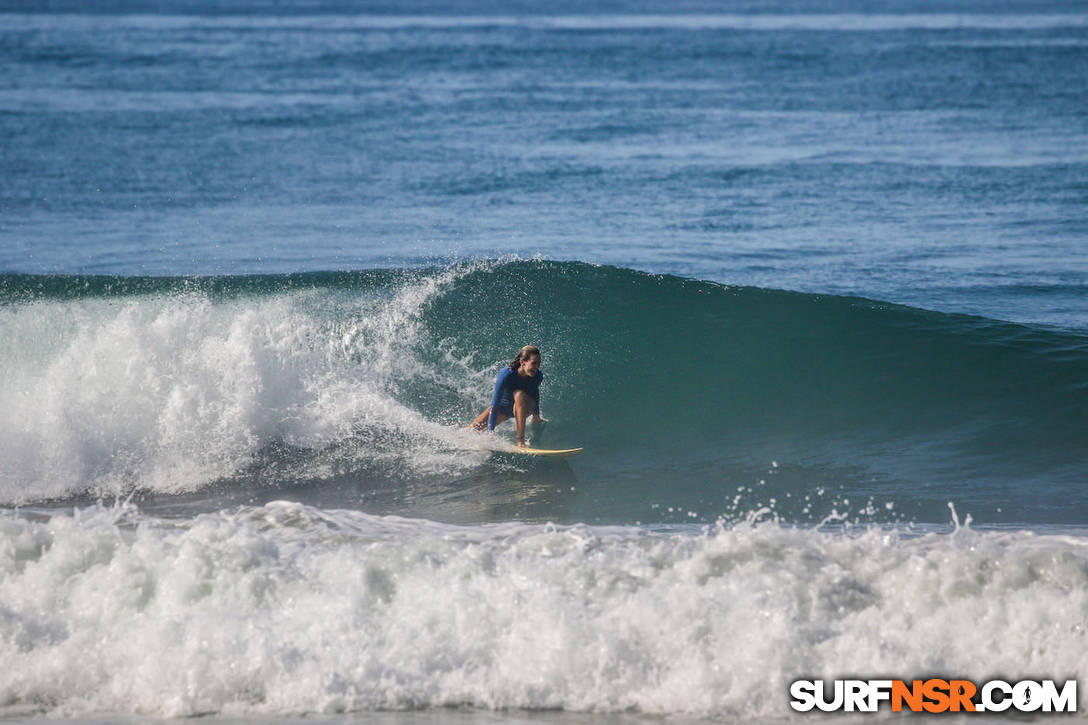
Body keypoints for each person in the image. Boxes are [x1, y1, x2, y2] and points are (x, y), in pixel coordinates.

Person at [469, 345, 546, 447]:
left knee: (520, 395)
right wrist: (490, 433)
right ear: (523, 362)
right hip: (504, 410)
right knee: (472, 430)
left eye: (539, 364)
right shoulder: (506, 375)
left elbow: (535, 393)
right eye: (534, 363)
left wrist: (536, 415)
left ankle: (520, 441)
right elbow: (495, 404)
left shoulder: (538, 376)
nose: (537, 367)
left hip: (525, 408)